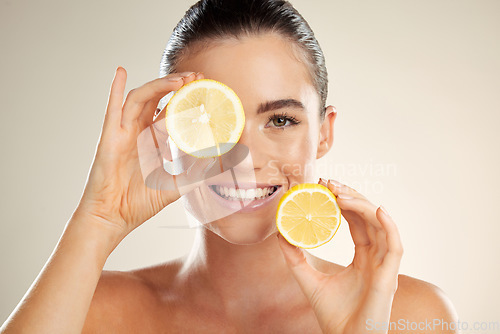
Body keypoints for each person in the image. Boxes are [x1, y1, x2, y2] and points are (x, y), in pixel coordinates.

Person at [1, 0, 459, 333]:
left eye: (280, 120)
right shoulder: (92, 312)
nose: (246, 158)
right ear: (168, 132)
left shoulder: (412, 315)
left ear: (323, 133)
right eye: (211, 118)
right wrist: (99, 217)